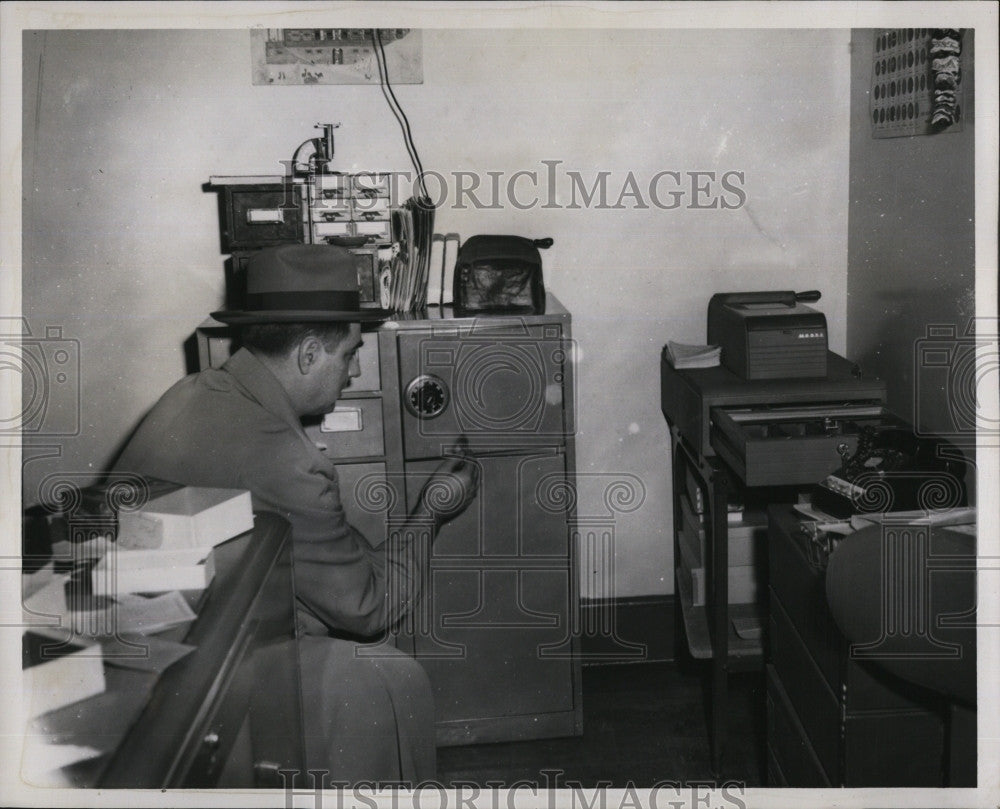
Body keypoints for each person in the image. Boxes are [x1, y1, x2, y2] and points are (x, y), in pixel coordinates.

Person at [114, 243, 479, 783]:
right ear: (308, 353)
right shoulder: (283, 459)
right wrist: (431, 512)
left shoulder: (192, 391)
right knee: (391, 680)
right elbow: (369, 608)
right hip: (185, 686)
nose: (355, 370)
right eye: (349, 352)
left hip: (140, 639)